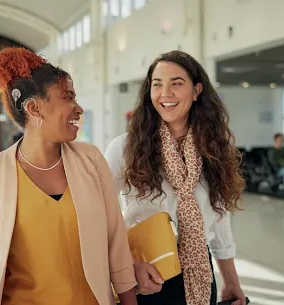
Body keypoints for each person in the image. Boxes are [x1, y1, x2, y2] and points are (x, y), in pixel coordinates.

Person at [0, 47, 138, 305]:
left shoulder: (90, 161)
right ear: (34, 108)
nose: (78, 108)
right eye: (68, 97)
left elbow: (116, 245)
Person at [105, 50, 246, 305]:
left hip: (200, 271)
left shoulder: (213, 148)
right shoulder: (125, 148)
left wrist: (231, 280)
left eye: (176, 83)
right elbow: (97, 213)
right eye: (157, 85)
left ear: (196, 91)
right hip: (145, 274)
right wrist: (127, 264)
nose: (165, 93)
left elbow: (219, 217)